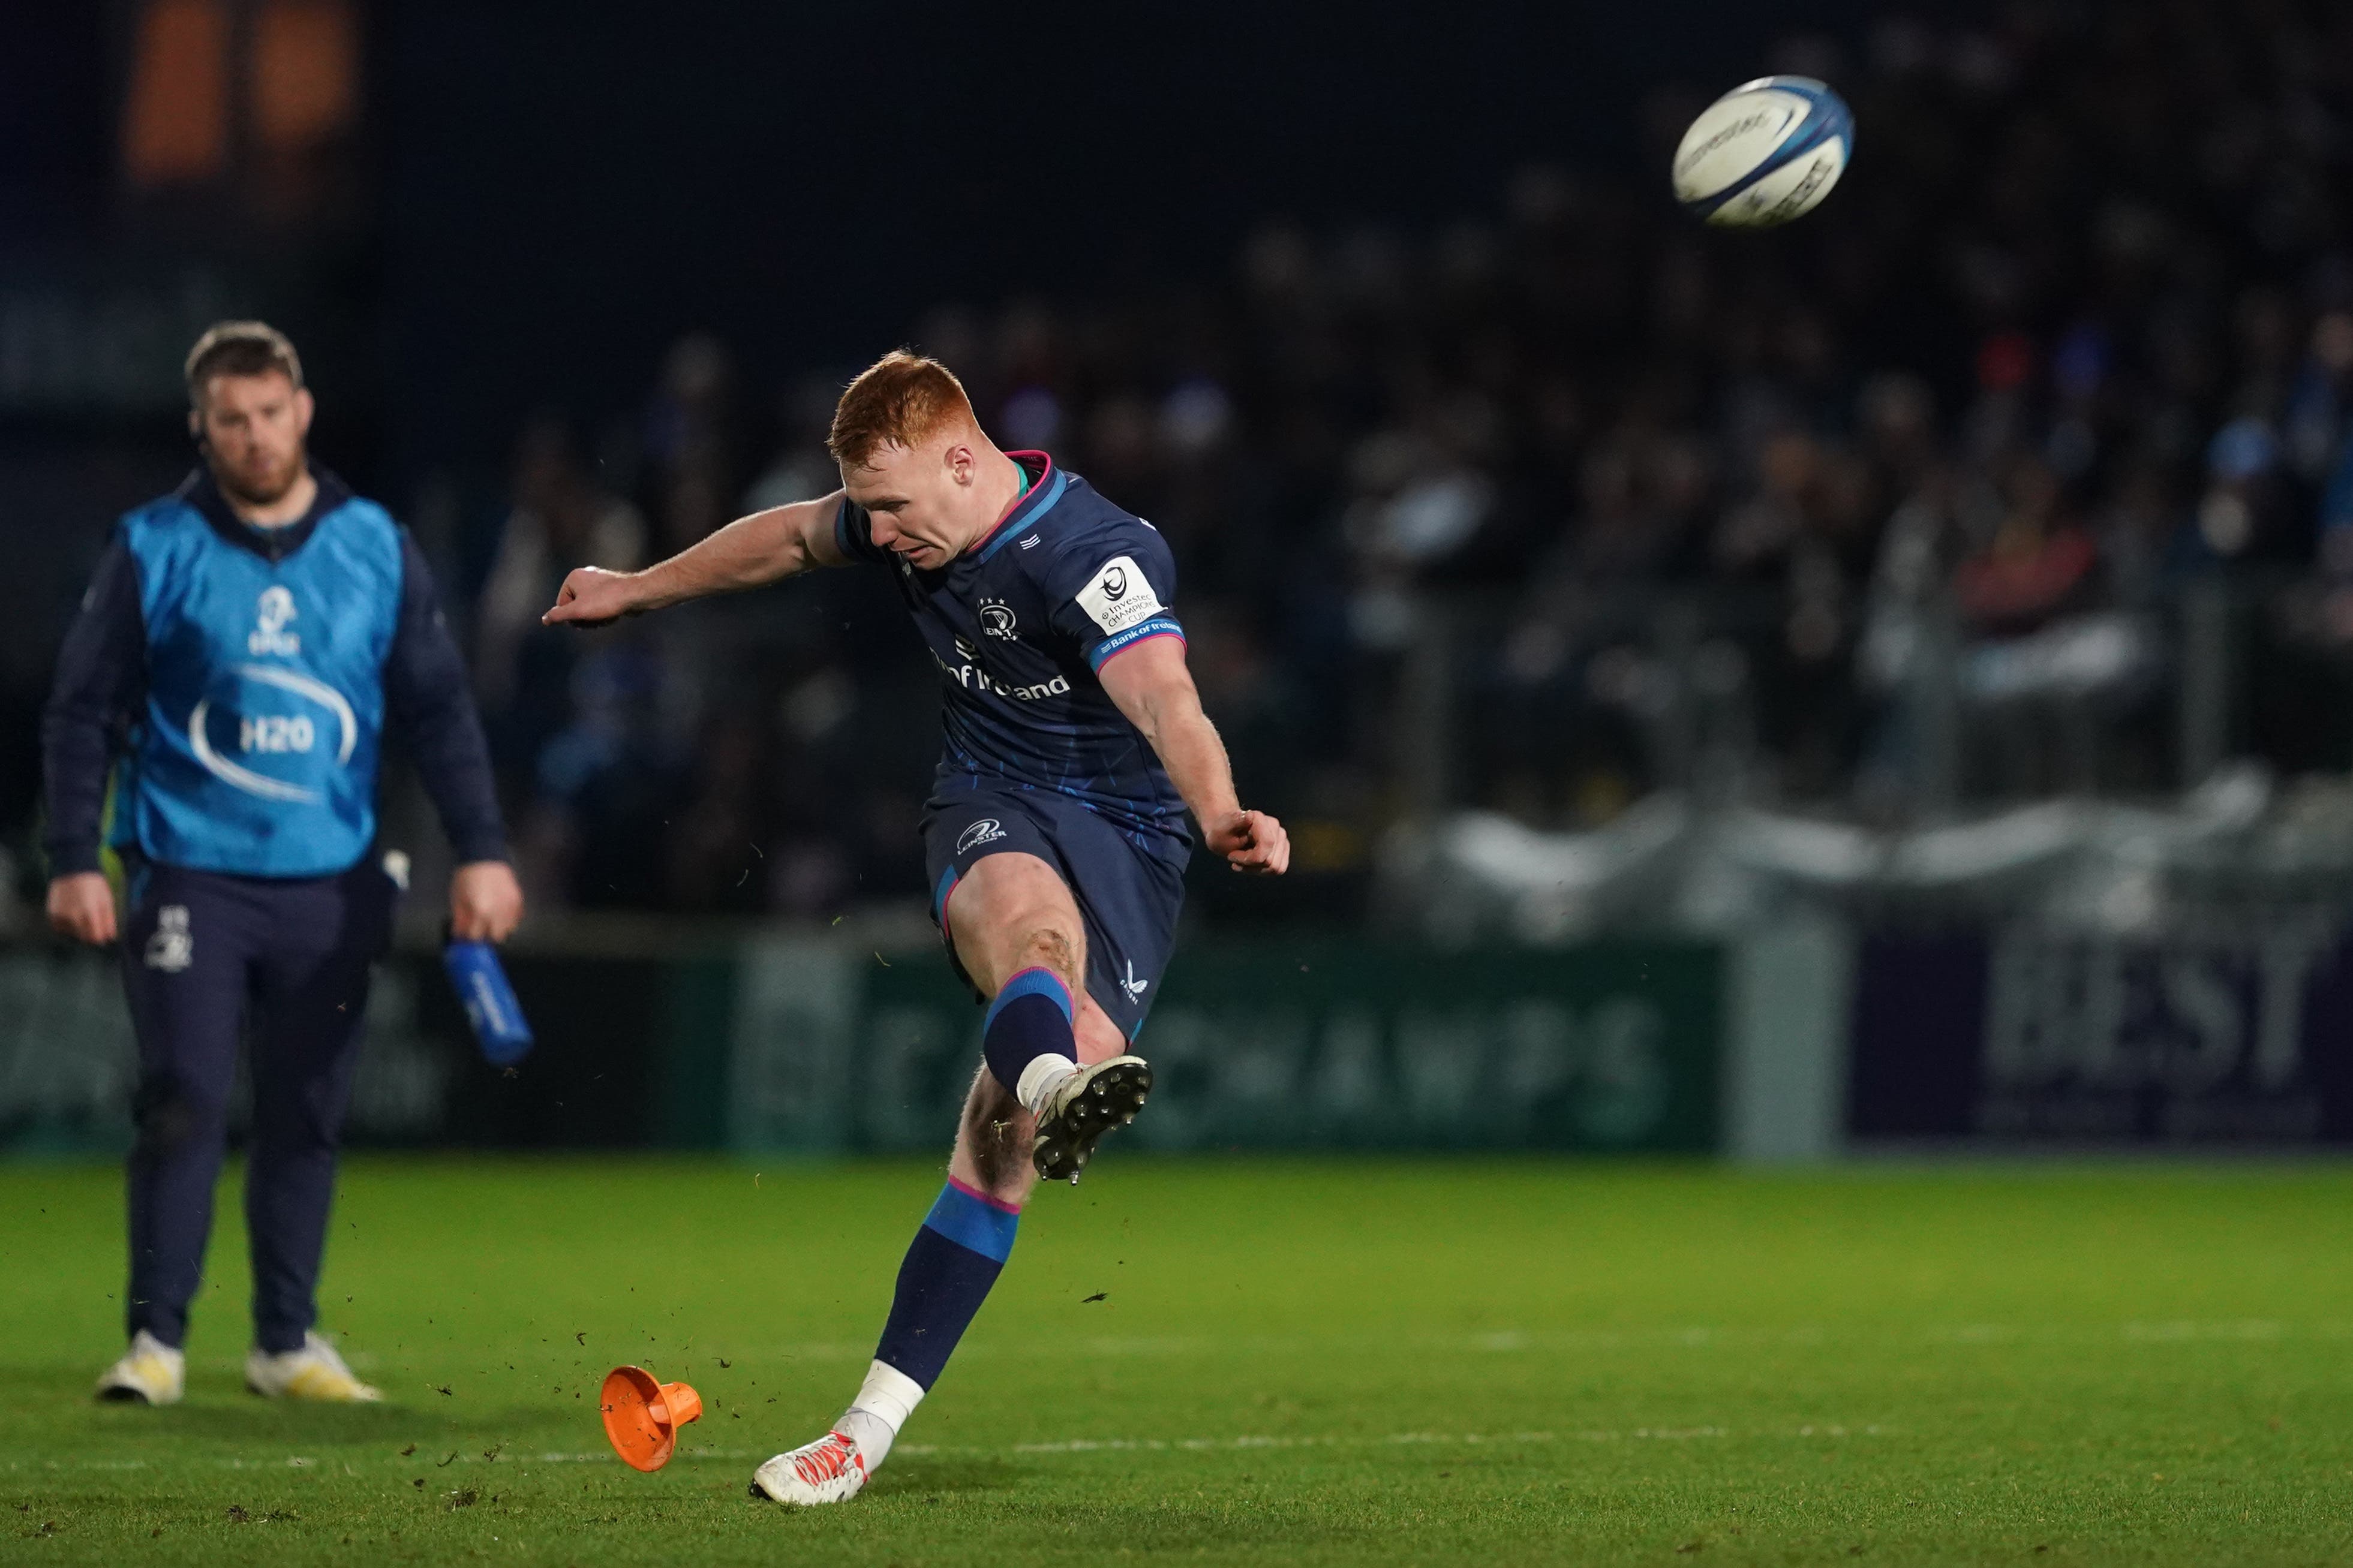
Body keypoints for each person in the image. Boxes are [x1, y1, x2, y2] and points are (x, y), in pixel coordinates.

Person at [545, 350, 1289, 1504]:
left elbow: (1164, 697)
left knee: (996, 1151)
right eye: (870, 509)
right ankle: (1045, 1091)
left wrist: (1221, 808)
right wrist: (635, 588)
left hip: (1134, 839)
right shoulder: (899, 516)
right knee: (1030, 941)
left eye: (891, 507)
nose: (879, 536)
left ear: (961, 458)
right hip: (989, 799)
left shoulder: (1095, 554)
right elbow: (790, 538)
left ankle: (874, 1412)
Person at [43, 322, 523, 1405]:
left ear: (301, 411)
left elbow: (440, 712)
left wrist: (483, 853)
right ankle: (156, 1344)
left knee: (307, 1110)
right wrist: (75, 855)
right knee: (185, 1097)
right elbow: (82, 712)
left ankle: (284, 1342)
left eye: (270, 413)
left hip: (334, 877)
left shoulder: (374, 545)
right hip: (188, 870)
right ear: (202, 429)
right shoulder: (154, 546)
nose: (255, 437)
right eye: (231, 421)